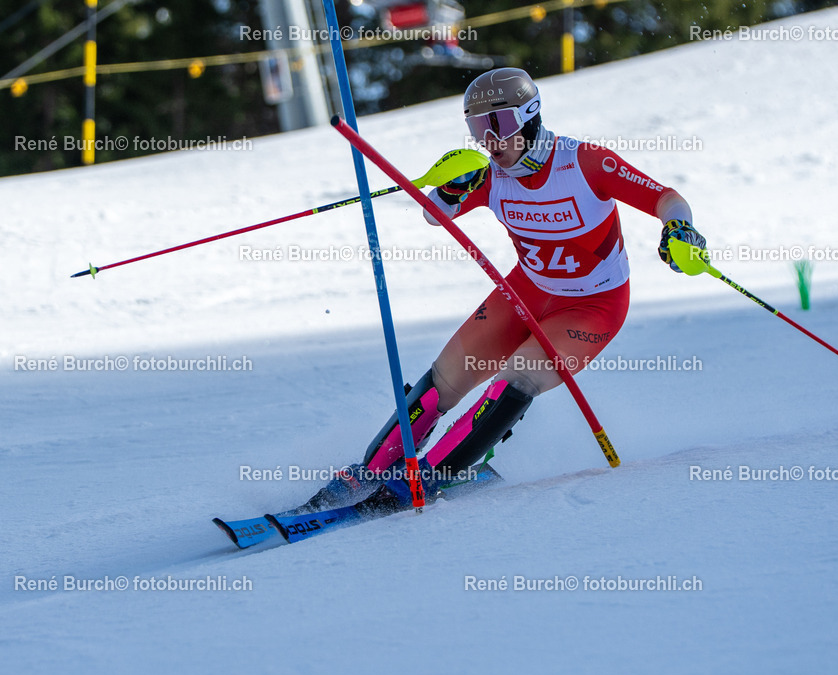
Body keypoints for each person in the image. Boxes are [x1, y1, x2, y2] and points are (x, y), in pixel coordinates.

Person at [302, 67, 706, 511]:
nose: (489, 140)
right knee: (444, 381)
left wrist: (680, 228)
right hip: (525, 293)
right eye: (478, 128)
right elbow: (434, 215)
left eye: (499, 124)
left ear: (530, 117)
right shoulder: (490, 174)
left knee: (514, 380)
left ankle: (427, 480)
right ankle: (373, 470)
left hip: (593, 306)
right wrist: (455, 188)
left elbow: (666, 197)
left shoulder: (586, 162)